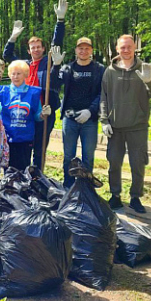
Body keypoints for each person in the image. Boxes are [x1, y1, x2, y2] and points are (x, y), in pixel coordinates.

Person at [100, 35, 151, 213]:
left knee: (137, 163)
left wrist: (149, 81)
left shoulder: (145, 68)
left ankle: (135, 197)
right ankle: (115, 195)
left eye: (129, 47)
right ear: (117, 49)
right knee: (114, 163)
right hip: (116, 127)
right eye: (122, 47)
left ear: (134, 48)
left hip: (138, 126)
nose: (126, 50)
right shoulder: (110, 71)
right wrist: (104, 120)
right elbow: (103, 98)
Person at [3, 0, 68, 168]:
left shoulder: (49, 63)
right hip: (25, 113)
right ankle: (21, 178)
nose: (36, 49)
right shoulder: (23, 65)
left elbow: (57, 44)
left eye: (39, 47)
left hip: (44, 112)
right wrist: (12, 38)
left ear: (43, 49)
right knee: (24, 149)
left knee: (39, 150)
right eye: (33, 47)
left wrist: (59, 22)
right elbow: (7, 56)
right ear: (28, 50)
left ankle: (37, 179)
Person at [50, 37, 105, 189]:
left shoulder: (100, 69)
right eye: (80, 48)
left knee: (88, 156)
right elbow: (53, 84)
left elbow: (102, 93)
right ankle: (68, 186)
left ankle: (85, 189)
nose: (83, 51)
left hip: (89, 120)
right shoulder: (67, 68)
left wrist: (90, 111)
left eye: (87, 48)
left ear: (91, 51)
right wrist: (56, 65)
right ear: (76, 50)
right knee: (68, 155)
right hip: (70, 119)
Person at [0, 60, 51, 171]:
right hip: (6, 138)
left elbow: (37, 116)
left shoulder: (34, 93)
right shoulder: (2, 91)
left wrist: (43, 115)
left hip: (25, 139)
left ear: (25, 74)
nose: (15, 76)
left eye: (19, 73)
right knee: (8, 169)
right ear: (9, 75)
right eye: (13, 73)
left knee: (23, 169)